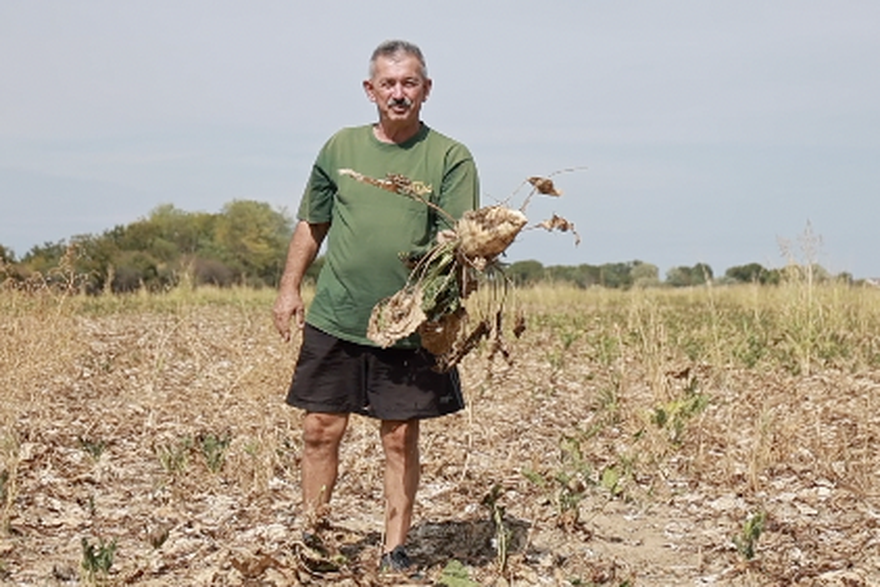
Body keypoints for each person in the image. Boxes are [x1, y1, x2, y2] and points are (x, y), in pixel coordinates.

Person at [272, 39, 479, 572]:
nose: (399, 92)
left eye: (409, 82)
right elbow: (312, 223)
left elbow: (457, 240)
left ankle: (394, 548)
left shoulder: (450, 157)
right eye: (388, 83)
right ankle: (314, 537)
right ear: (370, 91)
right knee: (320, 428)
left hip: (408, 321)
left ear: (426, 90)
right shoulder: (340, 149)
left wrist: (449, 288)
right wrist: (289, 287)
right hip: (337, 313)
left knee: (398, 435)